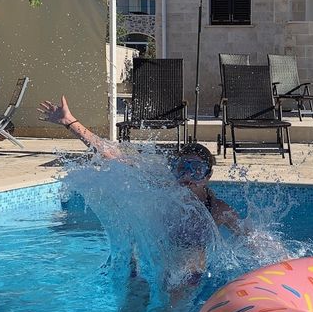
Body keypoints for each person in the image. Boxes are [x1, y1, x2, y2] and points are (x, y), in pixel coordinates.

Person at [37, 95, 243, 233]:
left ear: (207, 176)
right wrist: (71, 122)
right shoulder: (163, 187)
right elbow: (112, 155)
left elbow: (253, 242)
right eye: (183, 168)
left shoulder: (218, 210)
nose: (188, 176)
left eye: (196, 170)